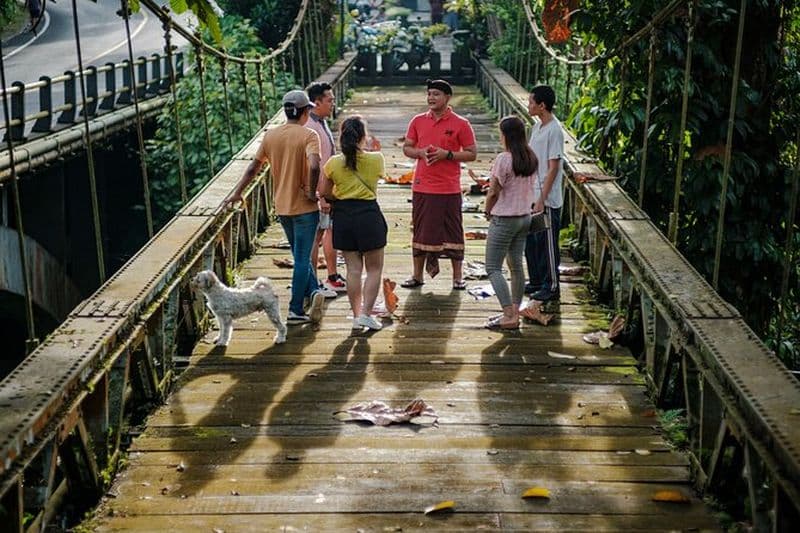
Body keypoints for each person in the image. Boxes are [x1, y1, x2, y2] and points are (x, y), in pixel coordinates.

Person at [227, 90, 326, 325]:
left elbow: (253, 168)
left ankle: (313, 292)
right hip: (305, 208)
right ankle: (294, 310)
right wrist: (312, 192)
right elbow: (314, 166)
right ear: (304, 112)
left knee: (298, 254)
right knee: (303, 258)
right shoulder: (309, 135)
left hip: (282, 207)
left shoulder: (270, 136)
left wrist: (237, 193)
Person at [401, 79, 477, 290]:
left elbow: (472, 153)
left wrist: (448, 155)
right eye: (429, 94)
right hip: (422, 185)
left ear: (447, 97)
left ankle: (457, 277)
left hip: (449, 187)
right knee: (421, 230)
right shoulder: (418, 120)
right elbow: (407, 147)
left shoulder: (461, 124)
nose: (431, 98)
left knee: (452, 230)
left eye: (436, 94)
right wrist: (420, 153)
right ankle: (417, 276)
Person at [320, 116, 387, 331]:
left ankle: (357, 314)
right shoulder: (376, 159)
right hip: (368, 215)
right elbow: (377, 175)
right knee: (374, 269)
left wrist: (339, 197)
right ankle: (366, 314)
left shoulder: (333, 163)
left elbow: (325, 192)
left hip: (344, 216)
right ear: (363, 137)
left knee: (353, 269)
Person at [483, 116, 538, 330]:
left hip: (504, 219)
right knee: (516, 266)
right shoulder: (531, 157)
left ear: (506, 135)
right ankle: (515, 312)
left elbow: (494, 191)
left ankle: (508, 314)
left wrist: (487, 210)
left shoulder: (504, 159)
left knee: (493, 267)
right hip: (524, 218)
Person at [305, 81, 346, 296]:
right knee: (316, 236)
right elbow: (314, 166)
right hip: (319, 193)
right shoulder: (310, 128)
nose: (333, 103)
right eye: (329, 100)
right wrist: (320, 196)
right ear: (316, 102)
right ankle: (313, 282)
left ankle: (331, 276)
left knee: (327, 231)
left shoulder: (319, 122)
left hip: (326, 190)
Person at [524, 85, 564, 302]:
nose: (528, 105)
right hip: (532, 193)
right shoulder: (537, 127)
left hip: (546, 198)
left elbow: (554, 167)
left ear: (542, 105)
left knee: (548, 243)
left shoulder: (554, 130)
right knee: (533, 241)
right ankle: (537, 280)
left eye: (531, 102)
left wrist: (541, 199)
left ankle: (552, 285)